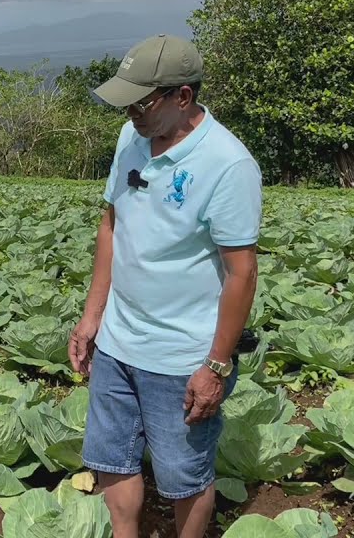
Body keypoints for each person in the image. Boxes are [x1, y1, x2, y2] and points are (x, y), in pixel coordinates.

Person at [68, 34, 261, 538]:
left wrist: (216, 365)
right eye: (127, 100)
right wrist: (93, 316)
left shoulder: (228, 164)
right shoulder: (131, 137)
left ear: (184, 97)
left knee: (183, 476)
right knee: (112, 457)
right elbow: (112, 224)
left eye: (142, 100)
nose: (131, 111)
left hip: (181, 354)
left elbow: (242, 272)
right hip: (117, 341)